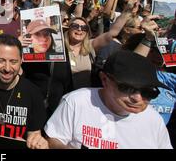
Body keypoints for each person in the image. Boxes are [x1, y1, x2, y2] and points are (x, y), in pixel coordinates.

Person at [44, 50, 173, 149]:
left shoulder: (154, 119)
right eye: (127, 88)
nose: (137, 98)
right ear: (105, 79)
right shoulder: (77, 102)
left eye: (148, 91)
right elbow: (54, 139)